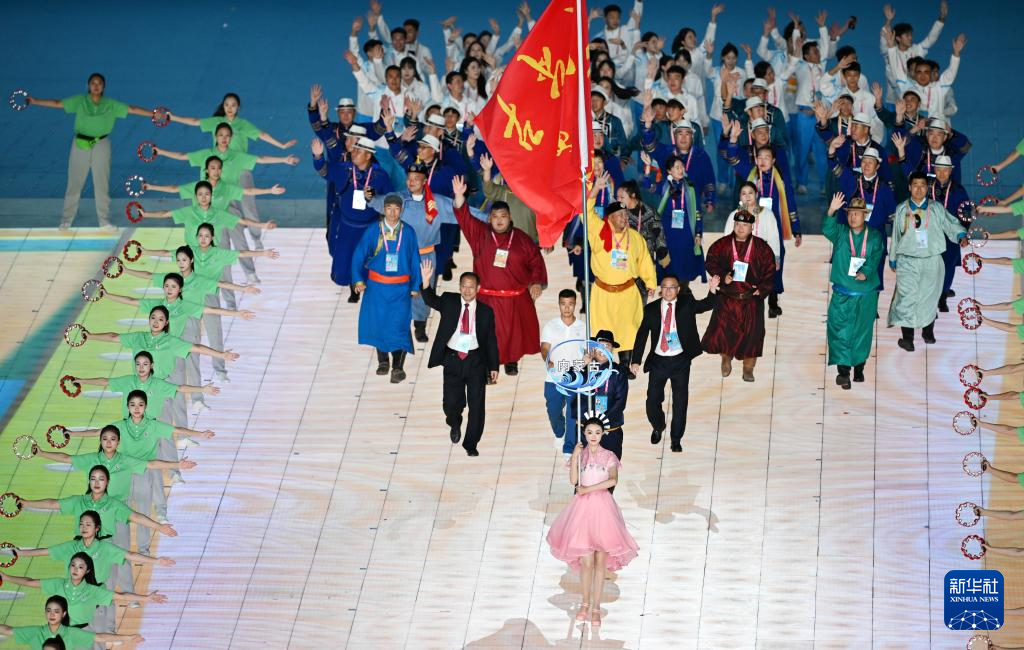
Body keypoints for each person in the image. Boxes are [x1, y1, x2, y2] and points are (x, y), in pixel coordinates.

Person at [545, 415, 639, 629]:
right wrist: (575, 456)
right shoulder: (582, 455)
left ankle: (596, 606)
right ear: (584, 434)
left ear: (603, 434)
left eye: (597, 432)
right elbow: (574, 480)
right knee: (586, 563)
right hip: (582, 511)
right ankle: (585, 603)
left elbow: (613, 480)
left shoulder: (609, 456)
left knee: (599, 563)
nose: (593, 436)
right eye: (589, 432)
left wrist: (588, 489)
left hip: (603, 510)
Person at [24, 74, 152, 230]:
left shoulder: (111, 104)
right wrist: (35, 101)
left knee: (102, 184)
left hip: (101, 145)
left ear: (104, 86)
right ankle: (66, 220)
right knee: (74, 183)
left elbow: (132, 109)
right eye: (93, 83)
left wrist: (153, 114)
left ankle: (104, 221)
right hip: (80, 145)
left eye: (99, 83)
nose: (96, 86)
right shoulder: (80, 101)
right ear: (88, 85)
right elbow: (58, 103)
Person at [452, 175, 546, 376]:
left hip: (515, 298)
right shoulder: (480, 235)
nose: (499, 220)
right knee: (487, 334)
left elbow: (535, 262)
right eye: (495, 216)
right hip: (487, 298)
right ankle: (488, 366)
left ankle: (511, 360)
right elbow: (464, 218)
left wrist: (536, 282)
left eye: (503, 216)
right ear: (489, 218)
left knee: (514, 333)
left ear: (510, 217)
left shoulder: (522, 239)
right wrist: (459, 196)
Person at [631, 273, 719, 452]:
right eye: (665, 287)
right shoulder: (652, 309)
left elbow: (706, 305)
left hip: (680, 360)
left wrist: (712, 289)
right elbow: (642, 335)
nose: (668, 291)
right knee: (652, 400)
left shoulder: (687, 303)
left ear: (678, 289)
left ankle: (676, 439)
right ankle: (658, 425)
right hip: (658, 361)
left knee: (680, 402)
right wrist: (636, 361)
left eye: (672, 287)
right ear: (660, 289)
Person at [421, 259, 499, 457]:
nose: (467, 290)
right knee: (451, 403)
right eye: (464, 286)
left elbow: (491, 340)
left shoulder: (486, 312)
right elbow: (430, 300)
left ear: (478, 289)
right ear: (459, 287)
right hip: (453, 359)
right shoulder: (449, 301)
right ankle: (454, 422)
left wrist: (494, 366)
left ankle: (471, 443)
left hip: (475, 362)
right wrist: (426, 281)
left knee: (477, 406)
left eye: (471, 287)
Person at [583, 181, 658, 376]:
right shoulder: (599, 231)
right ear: (610, 217)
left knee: (628, 329)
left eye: (625, 214)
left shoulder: (635, 237)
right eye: (620, 215)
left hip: (627, 292)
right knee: (602, 329)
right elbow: (586, 212)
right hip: (603, 293)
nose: (624, 218)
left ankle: (625, 366)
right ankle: (600, 367)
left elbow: (644, 260)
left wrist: (650, 282)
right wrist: (596, 189)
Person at [888, 171, 968, 351]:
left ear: (927, 188)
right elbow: (896, 236)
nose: (919, 189)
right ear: (909, 187)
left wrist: (961, 235)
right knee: (906, 299)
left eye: (922, 185)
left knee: (930, 298)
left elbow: (950, 223)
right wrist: (893, 259)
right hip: (907, 260)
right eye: (915, 185)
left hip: (932, 260)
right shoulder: (901, 209)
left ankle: (928, 332)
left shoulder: (936, 208)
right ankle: (907, 338)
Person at [351, 193, 423, 383]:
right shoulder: (373, 230)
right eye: (389, 208)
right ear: (384, 209)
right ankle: (383, 361)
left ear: (401, 210)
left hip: (401, 288)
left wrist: (416, 285)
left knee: (400, 325)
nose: (392, 213)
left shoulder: (408, 232)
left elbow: (415, 260)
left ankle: (397, 367)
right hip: (377, 288)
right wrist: (358, 280)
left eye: (396, 209)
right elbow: (359, 254)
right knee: (379, 323)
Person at [311, 136, 393, 299]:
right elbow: (325, 171)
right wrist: (318, 156)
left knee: (367, 260)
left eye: (358, 151)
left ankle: (365, 287)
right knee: (346, 259)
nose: (353, 153)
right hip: (347, 227)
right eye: (354, 150)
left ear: (368, 155)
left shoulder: (380, 176)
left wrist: (376, 198)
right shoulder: (344, 170)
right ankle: (352, 288)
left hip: (369, 228)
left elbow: (390, 199)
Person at [701, 210, 776, 381]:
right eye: (737, 224)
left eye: (745, 225)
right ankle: (725, 359)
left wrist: (762, 288)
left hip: (751, 300)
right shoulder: (722, 244)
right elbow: (710, 261)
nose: (740, 228)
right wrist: (722, 275)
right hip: (727, 298)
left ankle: (748, 368)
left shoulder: (762, 247)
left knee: (752, 336)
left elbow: (770, 270)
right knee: (724, 333)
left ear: (752, 227)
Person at [823, 195, 886, 389]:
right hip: (842, 295)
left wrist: (866, 272)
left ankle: (859, 368)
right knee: (839, 332)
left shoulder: (874, 236)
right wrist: (832, 210)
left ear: (864, 215)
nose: (852, 217)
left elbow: (876, 256)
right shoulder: (841, 233)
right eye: (850, 213)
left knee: (861, 334)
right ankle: (843, 373)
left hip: (865, 296)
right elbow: (827, 229)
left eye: (857, 214)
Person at [541, 290, 587, 456]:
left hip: (575, 379)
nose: (567, 308)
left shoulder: (583, 327)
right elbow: (544, 348)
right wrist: (548, 360)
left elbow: (587, 351)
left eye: (570, 304)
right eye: (563, 304)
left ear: (575, 304)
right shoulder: (550, 326)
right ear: (559, 304)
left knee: (572, 414)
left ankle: (569, 447)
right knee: (553, 411)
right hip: (554, 378)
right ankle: (559, 433)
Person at [570, 331, 630, 459]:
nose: (603, 350)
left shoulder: (618, 372)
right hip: (584, 428)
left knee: (610, 464)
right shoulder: (584, 368)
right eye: (600, 346)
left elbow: (620, 402)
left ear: (612, 350)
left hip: (610, 429)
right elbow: (567, 381)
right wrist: (582, 363)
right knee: (583, 464)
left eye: (607, 346)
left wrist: (600, 423)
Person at [0, 596, 143, 649]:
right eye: (48, 610)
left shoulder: (72, 633)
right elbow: (7, 630)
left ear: (64, 614)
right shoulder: (35, 632)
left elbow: (99, 637)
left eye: (56, 611)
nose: (52, 614)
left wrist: (128, 637)